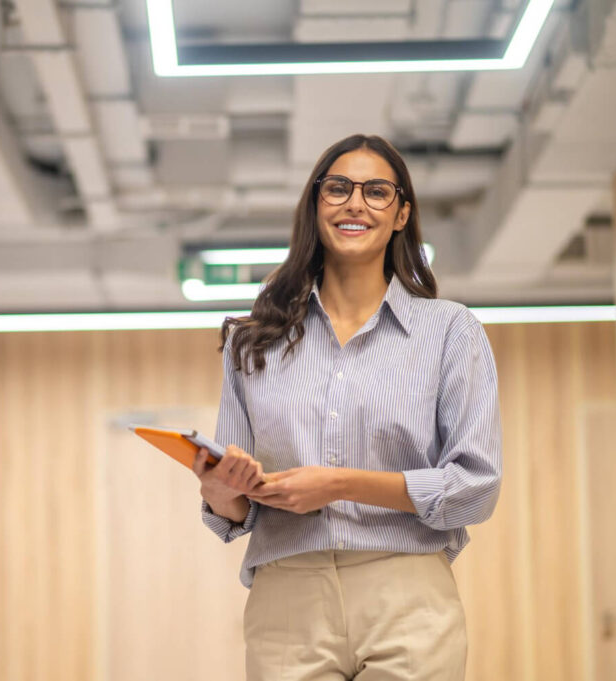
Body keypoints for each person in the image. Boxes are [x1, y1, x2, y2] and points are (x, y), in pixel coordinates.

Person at [190, 134, 502, 681]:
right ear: (316, 205)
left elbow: (475, 488)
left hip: (406, 592)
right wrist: (220, 493)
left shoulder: (452, 332)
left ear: (402, 212)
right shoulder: (251, 341)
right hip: (287, 597)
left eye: (376, 192)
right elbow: (239, 509)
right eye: (338, 188)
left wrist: (337, 484)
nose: (354, 203)